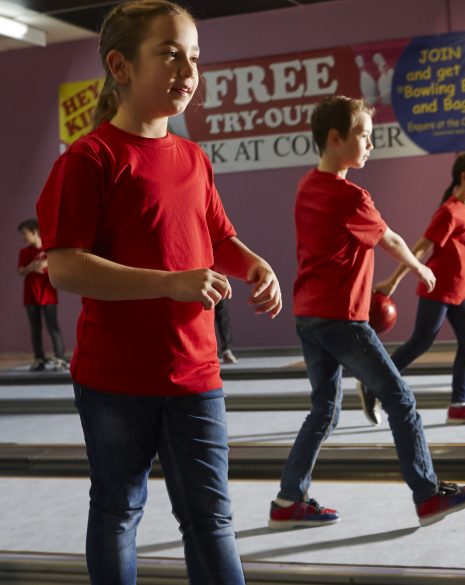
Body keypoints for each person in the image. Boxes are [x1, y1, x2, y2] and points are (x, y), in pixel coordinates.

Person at [36, 2, 282, 583]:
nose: (187, 69)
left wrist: (254, 264)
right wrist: (171, 284)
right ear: (119, 66)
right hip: (116, 380)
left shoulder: (194, 158)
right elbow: (65, 268)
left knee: (210, 519)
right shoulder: (90, 159)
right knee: (119, 512)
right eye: (169, 53)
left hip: (195, 373)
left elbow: (217, 235)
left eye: (194, 57)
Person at [269, 95, 465, 530]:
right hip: (342, 318)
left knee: (324, 411)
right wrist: (421, 267)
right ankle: (426, 496)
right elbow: (389, 239)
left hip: (308, 315)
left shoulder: (306, 185)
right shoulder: (351, 196)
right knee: (400, 398)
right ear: (335, 138)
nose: (370, 144)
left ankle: (288, 500)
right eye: (364, 136)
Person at [371, 152, 465, 425]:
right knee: (421, 342)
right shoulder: (449, 211)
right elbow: (420, 248)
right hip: (437, 289)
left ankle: (458, 406)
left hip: (461, 292)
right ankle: (375, 383)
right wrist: (393, 280)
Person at [17, 218, 67, 371]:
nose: (23, 237)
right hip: (30, 297)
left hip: (48, 296)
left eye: (24, 233)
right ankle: (39, 358)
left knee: (53, 327)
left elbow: (59, 265)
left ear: (34, 231)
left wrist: (45, 263)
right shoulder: (24, 252)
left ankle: (60, 358)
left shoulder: (50, 250)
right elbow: (20, 271)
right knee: (35, 329)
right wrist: (32, 266)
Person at [215, 298, 238, 364]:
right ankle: (209, 353)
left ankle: (227, 350)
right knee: (204, 320)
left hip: (219, 290)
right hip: (201, 291)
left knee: (223, 318)